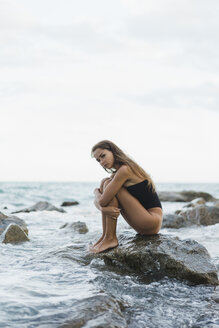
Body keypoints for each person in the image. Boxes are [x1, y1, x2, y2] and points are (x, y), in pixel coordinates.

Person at [89, 140, 163, 253]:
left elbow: (103, 201)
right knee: (105, 181)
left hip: (151, 221)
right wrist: (102, 207)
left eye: (103, 156)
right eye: (98, 160)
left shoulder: (125, 169)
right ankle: (105, 236)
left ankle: (111, 238)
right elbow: (101, 202)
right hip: (144, 221)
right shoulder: (117, 174)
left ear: (113, 151)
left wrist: (96, 194)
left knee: (107, 183)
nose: (101, 162)